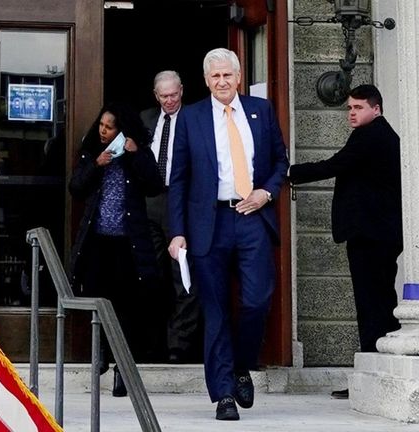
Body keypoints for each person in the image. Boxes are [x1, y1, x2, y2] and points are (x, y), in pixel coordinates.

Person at [168, 48, 289, 421]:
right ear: (206, 81)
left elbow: (281, 161)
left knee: (257, 300)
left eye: (227, 76)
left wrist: (265, 192)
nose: (221, 82)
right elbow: (179, 179)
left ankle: (240, 366)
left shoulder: (261, 110)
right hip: (209, 223)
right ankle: (223, 394)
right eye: (214, 76)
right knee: (216, 310)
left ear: (238, 78)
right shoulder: (190, 118)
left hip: (252, 216)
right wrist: (177, 233)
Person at [287, 84, 402, 400]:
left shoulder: (373, 136)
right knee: (375, 305)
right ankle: (372, 377)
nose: (351, 113)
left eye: (358, 108)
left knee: (373, 306)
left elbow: (334, 165)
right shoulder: (374, 134)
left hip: (373, 236)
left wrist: (287, 172)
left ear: (375, 109)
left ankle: (375, 379)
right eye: (349, 108)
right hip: (375, 234)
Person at [68, 102, 164, 397]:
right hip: (98, 242)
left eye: (109, 127)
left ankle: (123, 369)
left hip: (128, 244)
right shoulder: (92, 151)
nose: (103, 131)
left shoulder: (137, 152)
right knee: (97, 299)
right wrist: (96, 165)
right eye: (101, 125)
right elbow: (76, 188)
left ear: (122, 129)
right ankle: (100, 356)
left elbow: (154, 185)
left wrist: (135, 155)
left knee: (127, 306)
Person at [140, 70, 201, 364]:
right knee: (151, 274)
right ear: (155, 95)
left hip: (184, 203)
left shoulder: (196, 118)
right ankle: (150, 343)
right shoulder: (145, 120)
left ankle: (179, 345)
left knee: (184, 276)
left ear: (182, 91)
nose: (169, 101)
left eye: (173, 95)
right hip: (150, 202)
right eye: (163, 96)